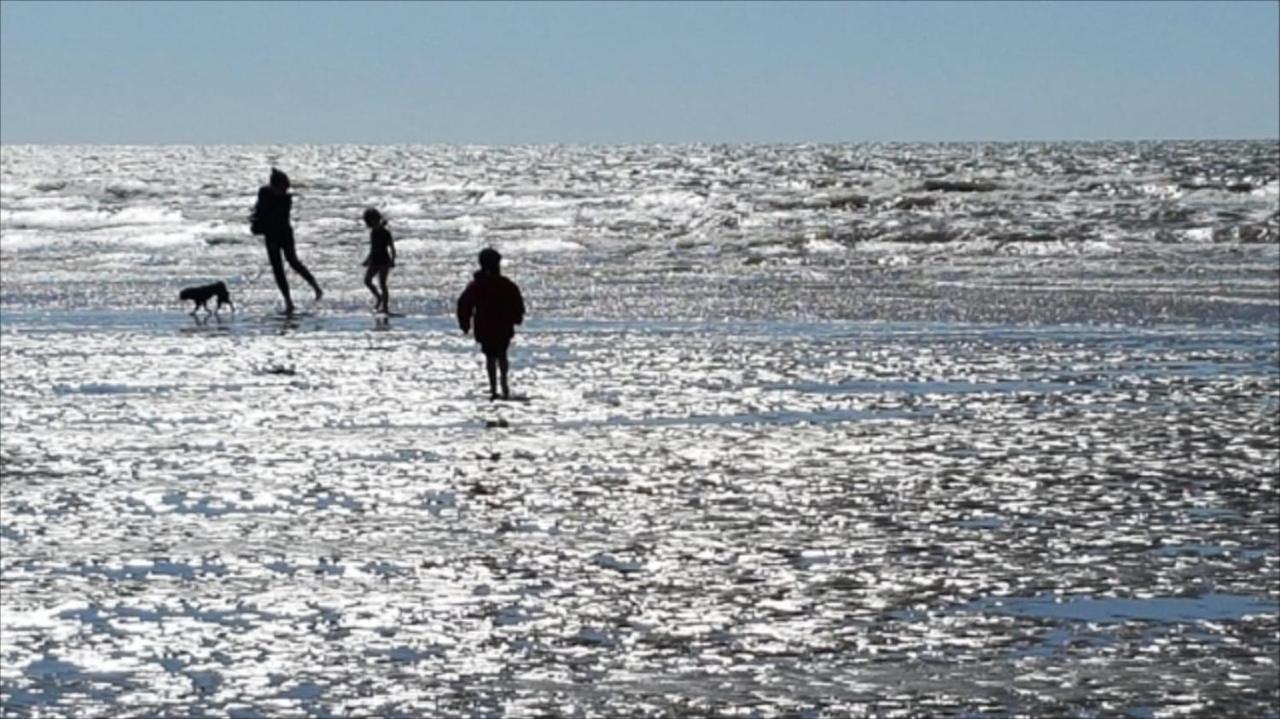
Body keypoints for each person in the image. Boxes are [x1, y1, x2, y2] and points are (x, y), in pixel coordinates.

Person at [456, 248, 525, 400]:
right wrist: (517, 317)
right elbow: (517, 302)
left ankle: (494, 387)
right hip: (502, 324)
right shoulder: (505, 284)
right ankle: (504, 385)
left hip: (485, 324)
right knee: (502, 354)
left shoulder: (477, 285)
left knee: (490, 356)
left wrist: (464, 323)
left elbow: (464, 304)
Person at [253, 168, 323, 315]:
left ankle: (315, 287)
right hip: (270, 234)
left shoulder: (285, 199)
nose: (284, 191)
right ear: (275, 185)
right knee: (278, 269)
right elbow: (259, 211)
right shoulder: (264, 192)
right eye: (282, 188)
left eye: (286, 188)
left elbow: (274, 218)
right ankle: (288, 301)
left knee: (293, 261)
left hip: (284, 233)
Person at [361, 208, 396, 313]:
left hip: (384, 260)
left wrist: (393, 260)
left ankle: (385, 308)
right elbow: (373, 248)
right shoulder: (373, 233)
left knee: (382, 284)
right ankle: (379, 297)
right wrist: (368, 259)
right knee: (367, 281)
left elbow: (392, 247)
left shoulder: (385, 232)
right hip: (375, 260)